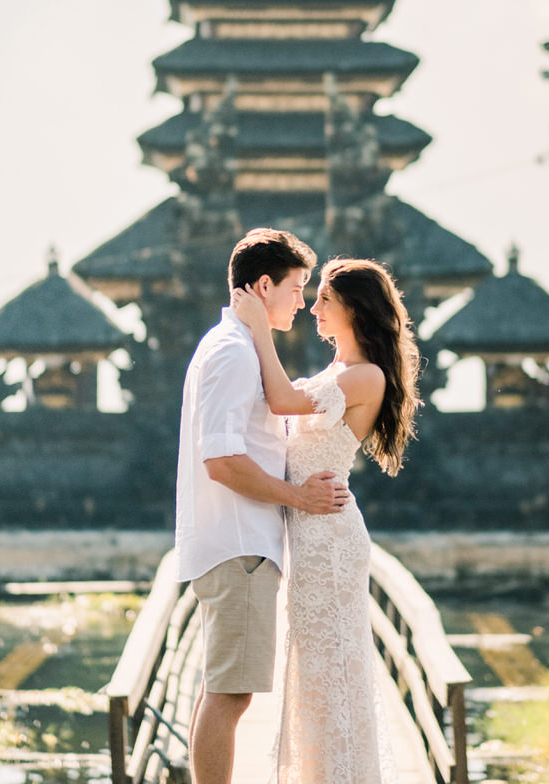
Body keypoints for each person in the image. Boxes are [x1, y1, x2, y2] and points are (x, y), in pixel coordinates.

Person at [231, 257, 421, 784]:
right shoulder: (338, 372)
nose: (313, 308)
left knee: (332, 664)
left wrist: (257, 329)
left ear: (355, 310)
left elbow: (283, 399)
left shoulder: (366, 375)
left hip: (330, 535)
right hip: (310, 528)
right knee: (314, 667)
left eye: (325, 301)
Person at [175, 228, 350, 784]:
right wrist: (298, 497)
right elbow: (222, 460)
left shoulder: (233, 345)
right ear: (264, 284)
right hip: (239, 546)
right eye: (297, 288)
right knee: (230, 696)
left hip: (234, 545)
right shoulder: (232, 353)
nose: (302, 302)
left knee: (221, 690)